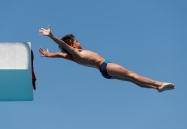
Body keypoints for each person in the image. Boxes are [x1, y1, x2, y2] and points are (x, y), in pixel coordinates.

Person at [39, 25, 175, 92]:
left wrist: (49, 55)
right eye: (76, 40)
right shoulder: (75, 53)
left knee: (133, 80)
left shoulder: (72, 57)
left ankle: (156, 88)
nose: (79, 42)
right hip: (105, 65)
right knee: (132, 74)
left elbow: (60, 55)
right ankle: (158, 83)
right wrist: (51, 36)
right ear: (71, 44)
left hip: (104, 72)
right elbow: (62, 46)